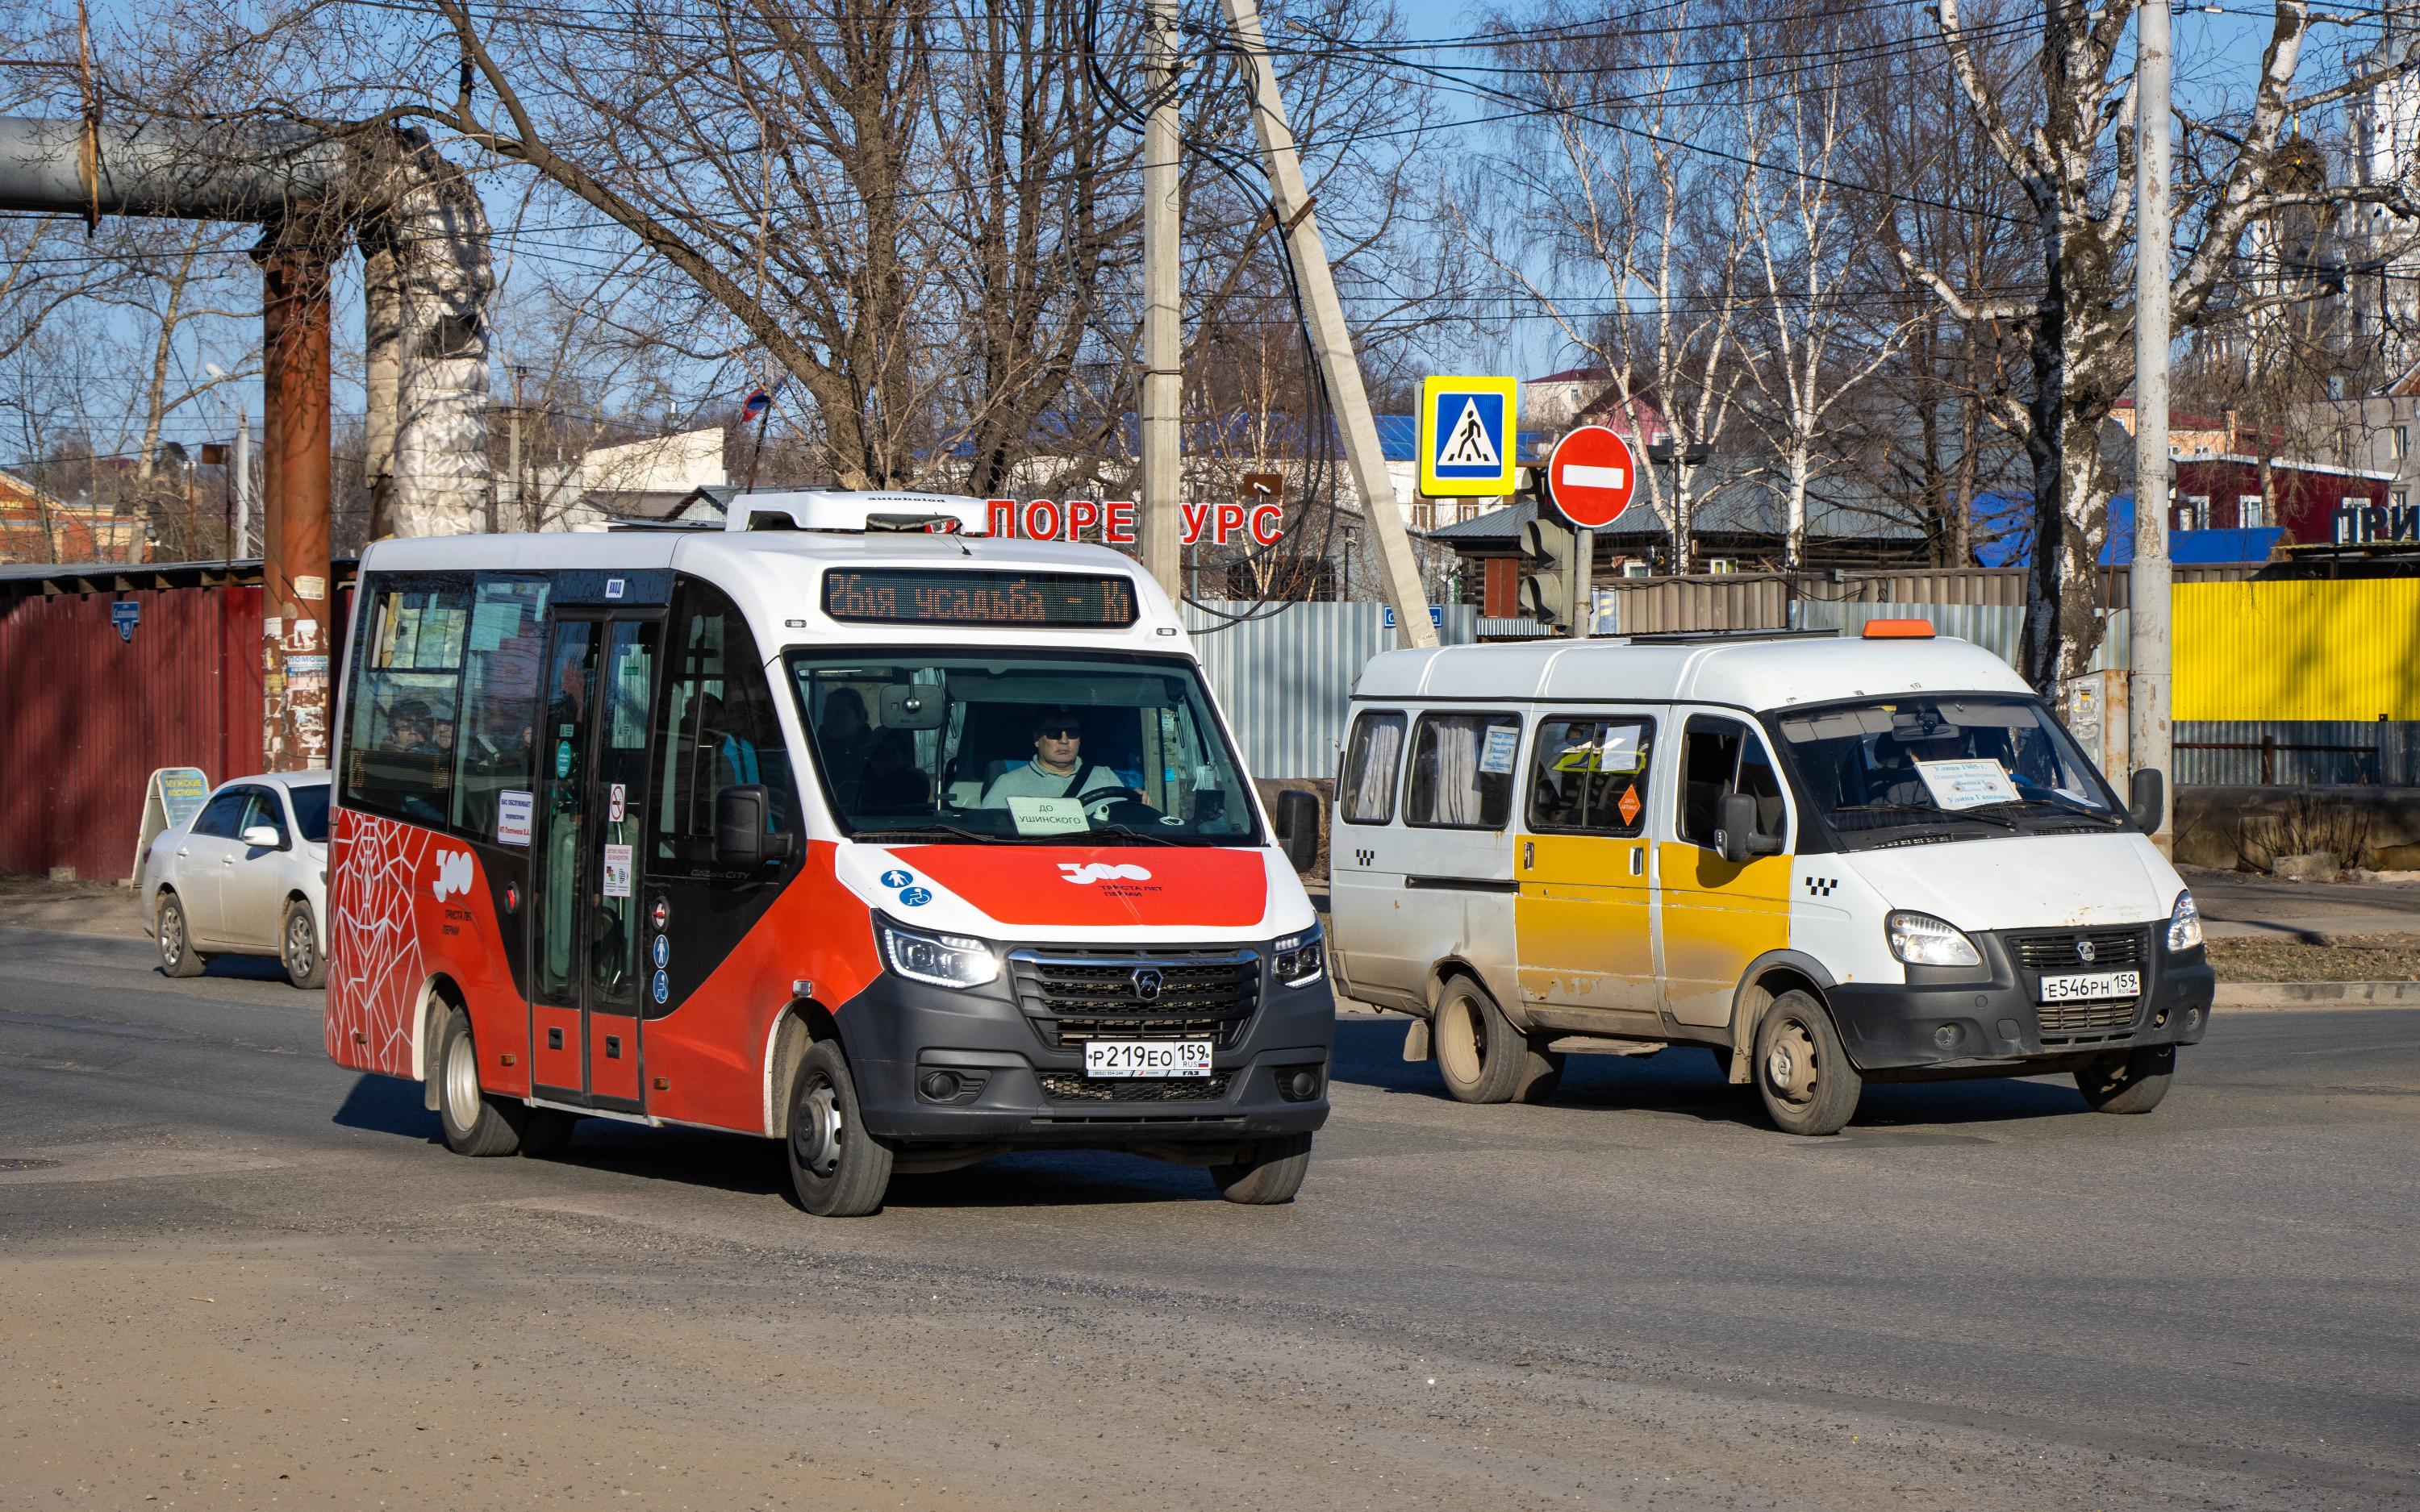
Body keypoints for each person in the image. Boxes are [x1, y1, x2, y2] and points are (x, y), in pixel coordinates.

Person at [979, 708, 1125, 808]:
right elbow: (986, 833)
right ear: (1037, 739)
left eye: (1072, 733)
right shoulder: (1008, 785)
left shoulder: (1106, 778)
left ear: (1080, 739)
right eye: (1054, 733)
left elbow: (1127, 823)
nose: (1064, 740)